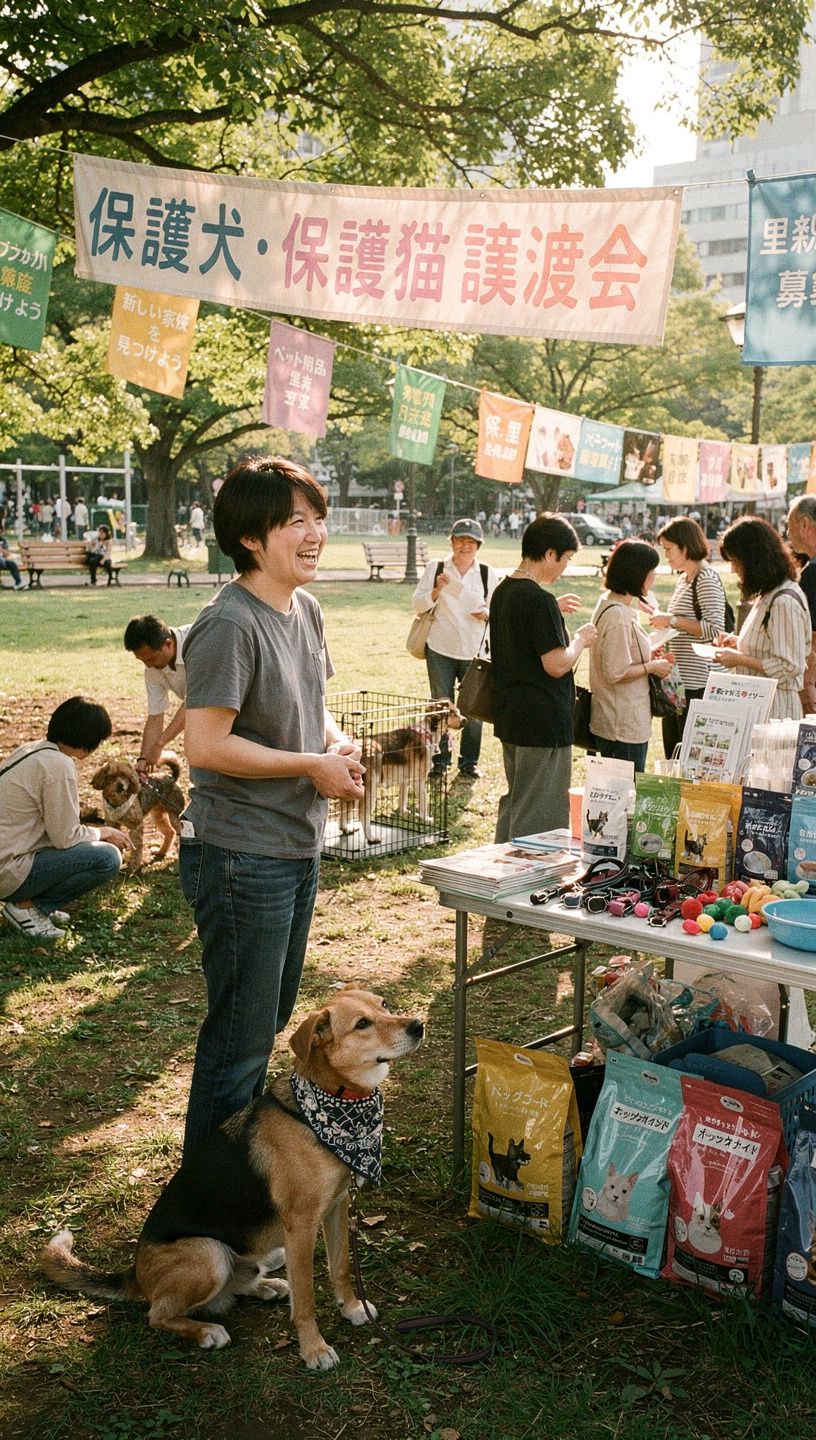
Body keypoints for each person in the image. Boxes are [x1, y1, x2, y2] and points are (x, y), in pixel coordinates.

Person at [179, 455, 365, 1159]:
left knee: (269, 1020)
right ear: (253, 536)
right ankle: (207, 1209)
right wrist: (311, 766)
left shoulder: (306, 609)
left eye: (317, 518)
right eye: (296, 522)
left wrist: (337, 745)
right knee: (241, 1039)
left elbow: (310, 713)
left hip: (293, 844)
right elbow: (206, 744)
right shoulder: (228, 622)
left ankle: (237, 1190)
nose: (315, 533)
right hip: (238, 854)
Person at [490, 513, 596, 841]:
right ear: (550, 553)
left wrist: (553, 610)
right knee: (539, 813)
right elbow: (556, 664)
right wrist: (580, 639)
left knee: (517, 800)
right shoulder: (539, 600)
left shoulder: (505, 590)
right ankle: (526, 879)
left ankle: (499, 868)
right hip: (542, 720)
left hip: (511, 715)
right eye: (565, 558)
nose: (564, 566)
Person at [0, 696, 129, 940]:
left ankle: (31, 902)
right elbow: (65, 837)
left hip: (9, 855)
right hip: (7, 868)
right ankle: (28, 908)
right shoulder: (59, 765)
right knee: (107, 858)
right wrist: (104, 832)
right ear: (89, 739)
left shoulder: (32, 749)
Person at [412, 518, 499, 780]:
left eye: (470, 541)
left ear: (478, 546)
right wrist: (436, 591)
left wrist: (486, 613)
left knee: (473, 708)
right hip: (440, 648)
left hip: (473, 651)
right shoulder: (436, 567)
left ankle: (469, 763)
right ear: (451, 542)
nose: (464, 546)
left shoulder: (485, 573)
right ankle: (439, 761)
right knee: (440, 706)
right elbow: (417, 604)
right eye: (460, 540)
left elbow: (496, 609)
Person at [588, 539, 671, 774]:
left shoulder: (610, 604)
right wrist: (652, 666)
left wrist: (648, 656)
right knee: (624, 799)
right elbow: (615, 672)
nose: (654, 578)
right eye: (651, 572)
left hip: (618, 719)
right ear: (636, 574)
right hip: (621, 724)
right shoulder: (619, 616)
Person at [716, 516, 810, 720]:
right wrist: (739, 644)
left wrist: (740, 659)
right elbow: (769, 646)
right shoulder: (768, 594)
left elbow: (789, 667)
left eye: (735, 562)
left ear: (753, 560)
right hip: (758, 705)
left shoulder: (784, 601)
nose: (734, 569)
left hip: (776, 711)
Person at [650, 517, 728, 757]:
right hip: (679, 682)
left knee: (692, 754)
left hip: (701, 682)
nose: (667, 556)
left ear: (685, 546)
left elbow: (715, 628)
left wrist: (672, 620)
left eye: (669, 549)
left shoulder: (705, 578)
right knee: (674, 751)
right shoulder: (684, 579)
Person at [123, 615, 191, 776]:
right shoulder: (152, 670)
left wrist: (160, 744)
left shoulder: (195, 642)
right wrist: (143, 759)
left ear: (169, 644)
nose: (148, 666)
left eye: (151, 659)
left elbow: (194, 703)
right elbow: (155, 717)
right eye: (142, 661)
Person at [785, 495, 816, 713]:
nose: (787, 534)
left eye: (789, 526)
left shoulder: (812, 574)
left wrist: (807, 685)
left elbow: (813, 639)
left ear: (804, 524)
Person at [0, 522, 25, 590]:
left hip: (3, 560)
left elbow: (8, 553)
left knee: (12, 564)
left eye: (1, 531)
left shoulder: (3, 541)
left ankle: (18, 583)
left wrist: (2, 550)